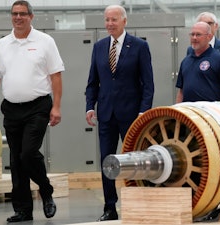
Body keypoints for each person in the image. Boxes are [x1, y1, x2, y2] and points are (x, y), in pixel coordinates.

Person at [0, 1, 64, 223]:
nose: (18, 17)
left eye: (22, 14)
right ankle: (23, 210)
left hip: (38, 107)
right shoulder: (2, 45)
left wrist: (56, 106)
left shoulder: (45, 42)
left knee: (28, 153)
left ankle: (46, 191)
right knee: (17, 162)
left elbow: (56, 76)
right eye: (14, 14)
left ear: (31, 16)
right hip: (11, 109)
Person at [85, 5, 154, 221]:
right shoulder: (99, 47)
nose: (109, 24)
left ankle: (139, 203)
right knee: (108, 161)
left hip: (132, 115)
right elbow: (92, 82)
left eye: (113, 19)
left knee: (137, 161)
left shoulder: (139, 46)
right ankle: (110, 207)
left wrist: (144, 111)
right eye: (106, 20)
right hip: (105, 114)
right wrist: (90, 105)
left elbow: (148, 84)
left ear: (124, 21)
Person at [176, 21, 220, 103]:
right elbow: (181, 91)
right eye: (192, 34)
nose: (194, 38)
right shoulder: (186, 61)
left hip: (210, 112)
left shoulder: (219, 59)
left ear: (209, 37)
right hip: (189, 112)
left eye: (198, 34)